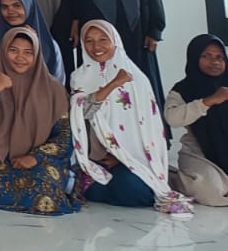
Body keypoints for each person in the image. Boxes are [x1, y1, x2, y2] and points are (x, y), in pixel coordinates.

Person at [70, 20, 191, 215]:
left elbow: (149, 127)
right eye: (89, 41)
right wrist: (113, 84)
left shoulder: (137, 79)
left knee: (133, 190)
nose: (96, 46)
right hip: (97, 158)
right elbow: (83, 112)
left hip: (132, 158)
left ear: (115, 42)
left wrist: (120, 156)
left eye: (103, 39)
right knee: (93, 188)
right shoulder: (80, 77)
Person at [0, 26, 80, 216]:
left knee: (44, 191)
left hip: (42, 159)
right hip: (1, 157)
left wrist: (35, 157)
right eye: (13, 50)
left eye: (28, 52)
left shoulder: (53, 89)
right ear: (3, 51)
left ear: (37, 55)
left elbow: (64, 137)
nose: (20, 57)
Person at [166, 35, 228, 210]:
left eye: (220, 57)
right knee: (212, 194)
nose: (214, 62)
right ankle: (174, 177)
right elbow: (172, 118)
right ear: (194, 58)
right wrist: (208, 101)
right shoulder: (183, 90)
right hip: (198, 156)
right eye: (206, 56)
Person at [0, 0, 66, 82]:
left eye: (16, 6)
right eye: (4, 7)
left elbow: (58, 81)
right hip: (2, 89)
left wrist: (35, 44)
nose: (10, 11)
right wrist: (7, 42)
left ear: (29, 6)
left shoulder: (49, 43)